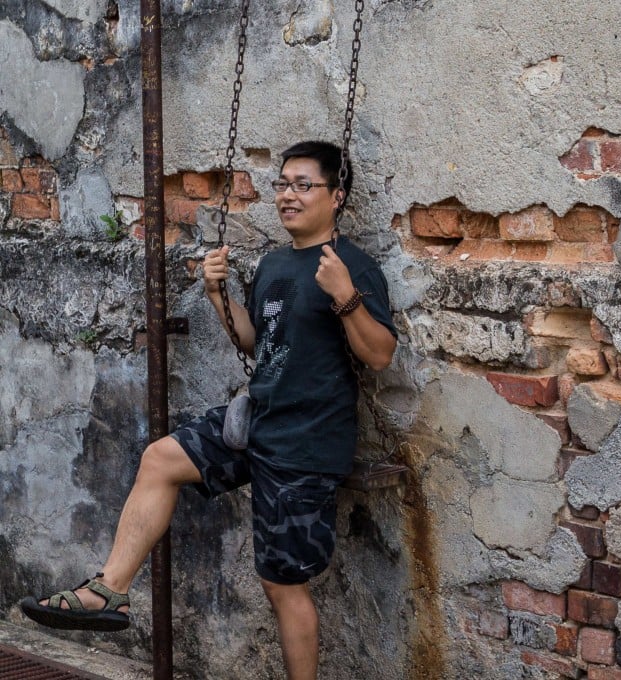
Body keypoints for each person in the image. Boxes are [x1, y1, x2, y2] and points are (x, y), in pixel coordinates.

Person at [21, 140, 398, 680]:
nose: (288, 196)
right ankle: (109, 592)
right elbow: (253, 343)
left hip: (308, 440)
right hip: (258, 422)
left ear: (336, 196)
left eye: (303, 185)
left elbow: (380, 355)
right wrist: (219, 295)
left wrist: (345, 295)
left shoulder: (353, 267)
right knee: (160, 459)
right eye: (283, 184)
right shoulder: (273, 264)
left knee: (282, 584)